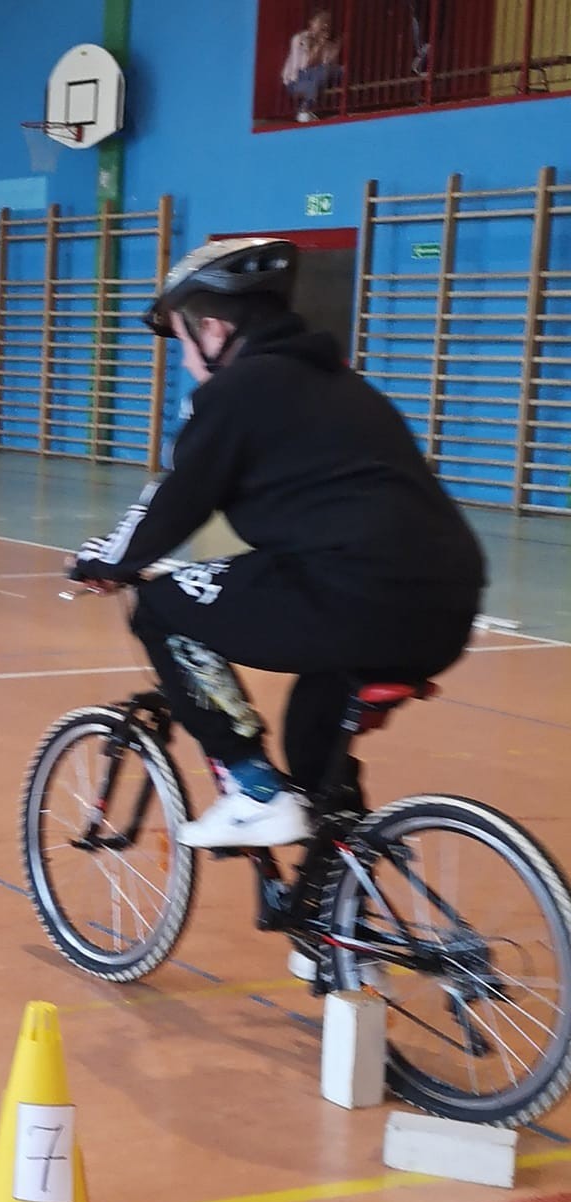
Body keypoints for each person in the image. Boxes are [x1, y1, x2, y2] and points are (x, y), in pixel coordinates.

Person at [70, 236, 485, 853]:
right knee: (312, 732)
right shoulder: (347, 387)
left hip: (355, 594)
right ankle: (340, 897)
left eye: (182, 342)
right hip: (447, 609)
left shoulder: (237, 391)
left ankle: (254, 789)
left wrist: (106, 560)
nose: (185, 360)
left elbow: (175, 499)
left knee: (161, 609)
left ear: (213, 330)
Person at [282, 10, 341, 122]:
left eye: (328, 22)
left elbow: (328, 65)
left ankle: (307, 110)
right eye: (321, 21)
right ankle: (304, 110)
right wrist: (319, 45)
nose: (325, 25)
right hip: (296, 80)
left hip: (318, 77)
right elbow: (305, 65)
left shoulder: (331, 44)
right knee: (315, 80)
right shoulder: (300, 38)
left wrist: (327, 45)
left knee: (337, 70)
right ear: (312, 23)